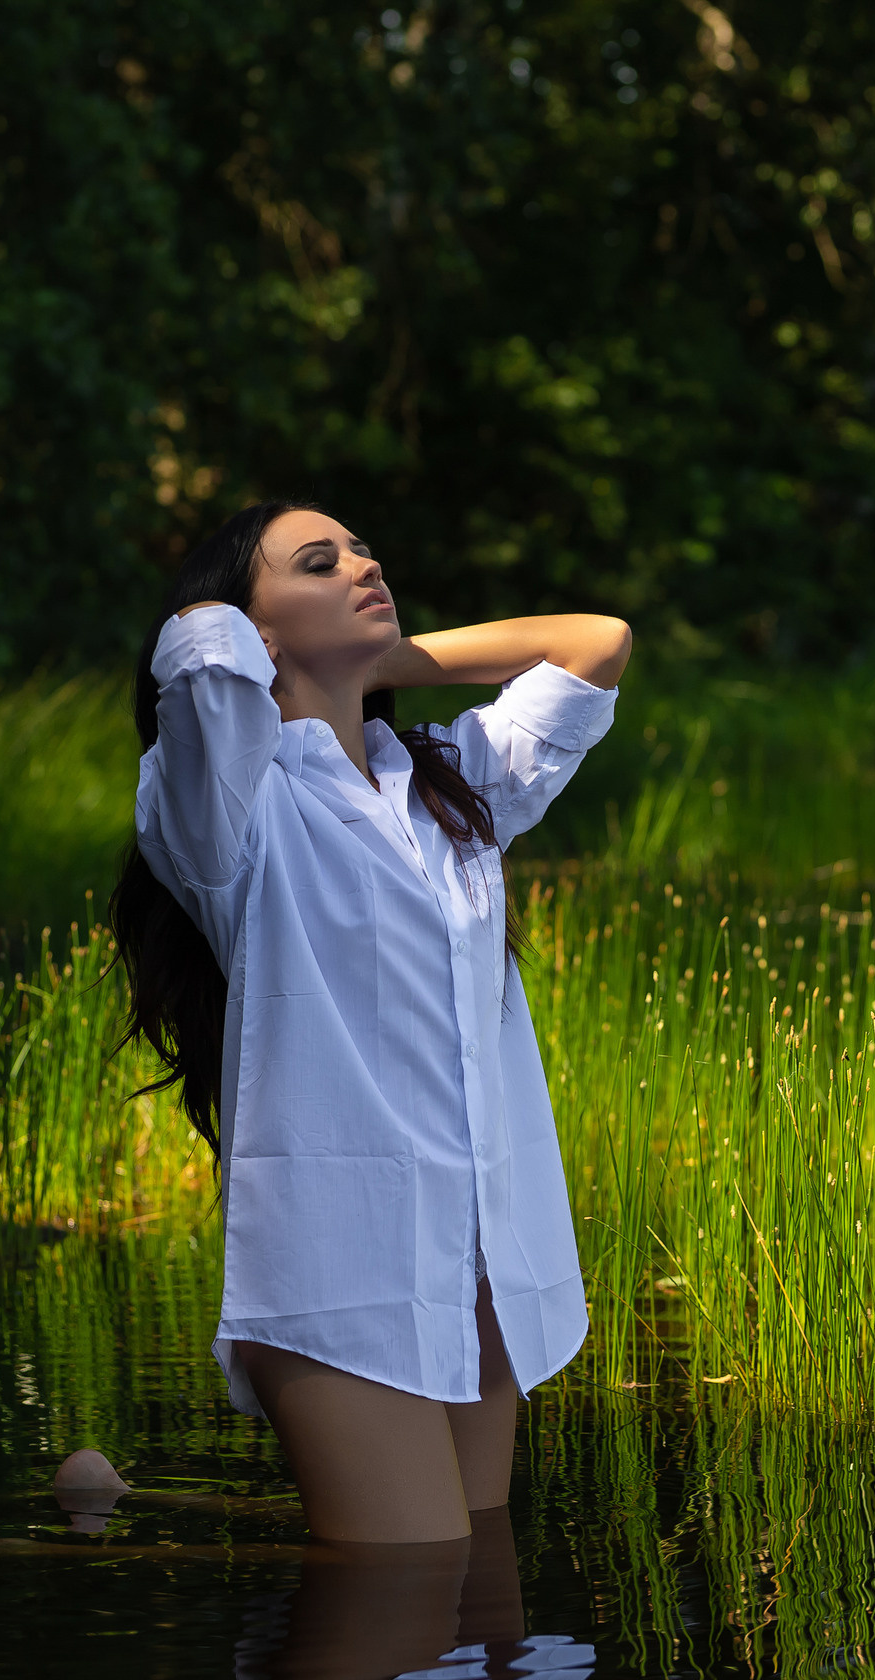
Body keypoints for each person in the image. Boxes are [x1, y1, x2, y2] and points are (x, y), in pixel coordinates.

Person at [99, 498, 631, 1547]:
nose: (363, 564)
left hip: (480, 1255)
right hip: (344, 1268)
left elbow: (595, 644)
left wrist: (380, 662)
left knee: (480, 1576)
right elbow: (193, 648)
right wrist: (281, 649)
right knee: (410, 1581)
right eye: (319, 561)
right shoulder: (232, 810)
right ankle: (73, 1524)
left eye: (363, 549)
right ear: (254, 632)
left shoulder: (448, 784)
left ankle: (108, 1506)